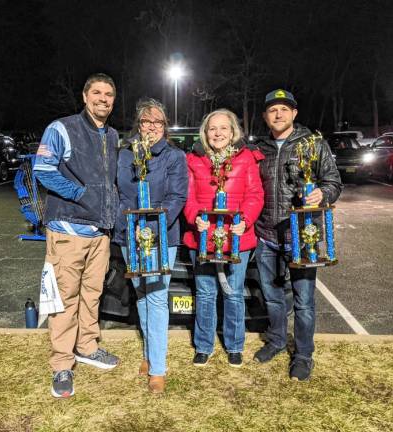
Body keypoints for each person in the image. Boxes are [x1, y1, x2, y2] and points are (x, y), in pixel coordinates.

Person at [33, 73, 120, 399]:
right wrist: (80, 194)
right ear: (85, 96)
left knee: (92, 295)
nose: (103, 98)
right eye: (97, 92)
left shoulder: (111, 136)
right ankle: (61, 365)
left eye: (109, 94)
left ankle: (87, 346)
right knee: (64, 300)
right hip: (68, 230)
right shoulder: (62, 128)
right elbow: (43, 170)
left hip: (100, 233)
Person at [253, 89, 342, 381]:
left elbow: (334, 183)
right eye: (272, 110)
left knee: (304, 301)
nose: (278, 114)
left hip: (302, 238)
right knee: (273, 297)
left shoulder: (313, 145)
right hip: (266, 234)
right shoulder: (260, 148)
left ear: (294, 113)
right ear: (265, 116)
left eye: (284, 109)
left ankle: (303, 354)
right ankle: (277, 341)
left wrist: (323, 193)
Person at [114, 98, 188, 394]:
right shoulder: (124, 154)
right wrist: (127, 226)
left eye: (158, 122)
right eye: (146, 121)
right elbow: (118, 193)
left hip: (161, 237)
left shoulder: (174, 156)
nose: (152, 127)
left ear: (165, 126)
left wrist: (151, 228)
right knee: (141, 296)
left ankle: (158, 367)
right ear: (138, 124)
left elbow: (177, 197)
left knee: (156, 299)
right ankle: (148, 353)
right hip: (128, 235)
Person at [183, 109, 264, 367]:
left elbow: (255, 194)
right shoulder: (193, 159)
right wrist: (196, 216)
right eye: (212, 128)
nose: (217, 133)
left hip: (236, 237)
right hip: (204, 237)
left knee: (234, 293)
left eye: (223, 128)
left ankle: (234, 345)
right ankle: (204, 345)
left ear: (233, 132)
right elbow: (188, 197)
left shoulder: (246, 159)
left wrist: (245, 220)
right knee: (206, 292)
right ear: (205, 133)